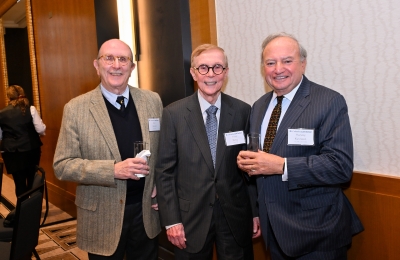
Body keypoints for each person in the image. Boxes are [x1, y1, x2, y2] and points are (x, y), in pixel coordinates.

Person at [237, 32, 364, 259]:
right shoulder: (259, 107)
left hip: (317, 233)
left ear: (303, 64)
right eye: (270, 62)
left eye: (287, 61)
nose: (278, 69)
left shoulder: (328, 101)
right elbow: (261, 163)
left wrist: (282, 166)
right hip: (273, 230)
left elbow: (340, 166)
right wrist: (249, 164)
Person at [53, 39, 163, 259]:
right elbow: (62, 166)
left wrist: (161, 184)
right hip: (101, 216)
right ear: (97, 65)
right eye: (109, 58)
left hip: (146, 213)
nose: (116, 65)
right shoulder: (76, 109)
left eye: (123, 59)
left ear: (132, 68)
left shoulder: (153, 101)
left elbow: (163, 151)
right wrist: (112, 170)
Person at [156, 44, 260, 259]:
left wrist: (255, 212)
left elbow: (249, 169)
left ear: (226, 72)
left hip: (235, 216)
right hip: (189, 218)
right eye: (203, 68)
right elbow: (164, 171)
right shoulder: (173, 114)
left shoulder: (243, 111)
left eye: (217, 67)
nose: (210, 74)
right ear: (193, 73)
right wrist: (172, 220)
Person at [0, 85, 46, 197]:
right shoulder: (31, 109)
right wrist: (41, 134)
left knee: (19, 183)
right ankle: (31, 209)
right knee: (32, 179)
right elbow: (40, 129)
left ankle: (22, 211)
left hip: (12, 153)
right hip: (31, 149)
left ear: (9, 97)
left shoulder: (1, 113)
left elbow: (0, 136)